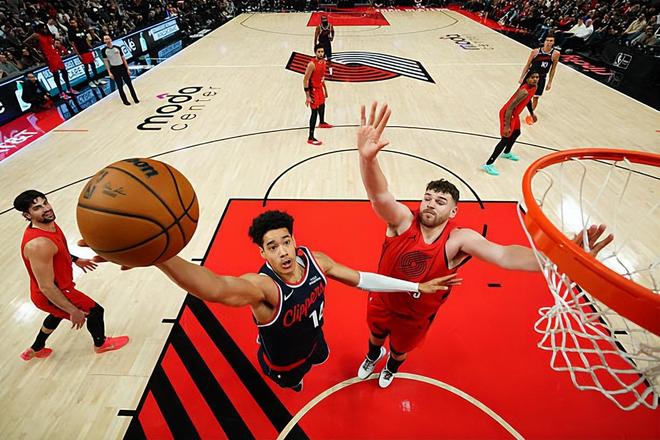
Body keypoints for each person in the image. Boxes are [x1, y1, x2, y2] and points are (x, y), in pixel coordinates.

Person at [354, 102, 612, 388]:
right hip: (382, 299)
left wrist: (558, 259)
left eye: (440, 202)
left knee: (400, 349)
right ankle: (372, 355)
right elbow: (379, 195)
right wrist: (368, 161)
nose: (430, 204)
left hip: (416, 316)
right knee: (375, 335)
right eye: (427, 198)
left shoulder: (458, 239)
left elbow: (503, 255)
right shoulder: (403, 221)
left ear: (453, 211)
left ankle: (390, 367)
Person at [97, 210, 458, 391]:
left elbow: (363, 279)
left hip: (315, 340)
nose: (283, 251)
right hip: (284, 363)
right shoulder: (263, 288)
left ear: (293, 240)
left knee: (320, 354)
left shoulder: (316, 260)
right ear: (263, 252)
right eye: (273, 246)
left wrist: (414, 286)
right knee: (294, 382)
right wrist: (160, 256)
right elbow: (214, 288)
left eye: (286, 241)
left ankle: (292, 344)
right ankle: (282, 364)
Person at [14, 190, 129, 361]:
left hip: (53, 289)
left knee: (56, 314)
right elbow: (47, 287)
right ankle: (101, 344)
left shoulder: (49, 224)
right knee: (95, 311)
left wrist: (75, 259)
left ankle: (36, 348)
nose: (46, 209)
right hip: (53, 292)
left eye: (45, 203)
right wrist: (73, 310)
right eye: (37, 208)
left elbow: (57, 251)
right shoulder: (38, 244)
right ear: (27, 215)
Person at [482, 70, 539, 176]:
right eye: (532, 77)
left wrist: (532, 114)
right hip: (508, 114)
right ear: (527, 79)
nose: (535, 79)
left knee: (516, 132)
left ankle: (506, 153)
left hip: (514, 114)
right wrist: (507, 125)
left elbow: (528, 101)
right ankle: (488, 164)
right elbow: (509, 108)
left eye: (537, 77)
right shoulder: (523, 91)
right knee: (505, 139)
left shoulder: (534, 87)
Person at [24, 24, 76, 100]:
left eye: (45, 28)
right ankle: (61, 93)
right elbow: (25, 42)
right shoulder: (36, 35)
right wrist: (35, 51)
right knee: (56, 75)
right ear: (39, 29)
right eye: (43, 28)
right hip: (49, 57)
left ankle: (69, 88)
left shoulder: (48, 34)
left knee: (64, 72)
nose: (44, 29)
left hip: (56, 55)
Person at [518, 33, 560, 122]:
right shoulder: (535, 51)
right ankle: (515, 111)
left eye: (551, 41)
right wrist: (522, 77)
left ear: (553, 42)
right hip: (530, 76)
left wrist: (549, 82)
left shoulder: (555, 54)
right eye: (547, 40)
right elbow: (527, 65)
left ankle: (530, 115)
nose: (548, 42)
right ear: (544, 41)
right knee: (522, 95)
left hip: (541, 78)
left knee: (535, 97)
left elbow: (553, 69)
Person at [303, 44, 332, 146]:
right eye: (319, 52)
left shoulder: (324, 62)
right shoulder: (312, 64)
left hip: (320, 88)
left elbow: (322, 77)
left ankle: (322, 122)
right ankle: (310, 137)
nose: (321, 54)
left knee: (323, 105)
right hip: (313, 90)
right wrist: (307, 96)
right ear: (315, 52)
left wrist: (325, 89)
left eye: (322, 52)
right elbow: (305, 80)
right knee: (314, 112)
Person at [101, 34, 139, 106]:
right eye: (105, 39)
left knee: (129, 84)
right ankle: (125, 101)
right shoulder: (104, 51)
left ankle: (135, 98)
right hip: (114, 69)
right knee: (120, 86)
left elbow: (123, 59)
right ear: (104, 41)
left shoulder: (117, 48)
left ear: (110, 39)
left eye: (108, 38)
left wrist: (127, 69)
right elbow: (106, 62)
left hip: (122, 67)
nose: (107, 40)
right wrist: (109, 72)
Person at [69, 19, 106, 88]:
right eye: (71, 23)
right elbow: (73, 44)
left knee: (93, 65)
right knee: (86, 67)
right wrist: (78, 55)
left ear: (76, 22)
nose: (73, 24)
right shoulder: (71, 32)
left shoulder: (81, 29)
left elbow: (86, 39)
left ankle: (97, 79)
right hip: (81, 52)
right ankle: (90, 81)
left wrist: (90, 47)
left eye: (74, 22)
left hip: (87, 50)